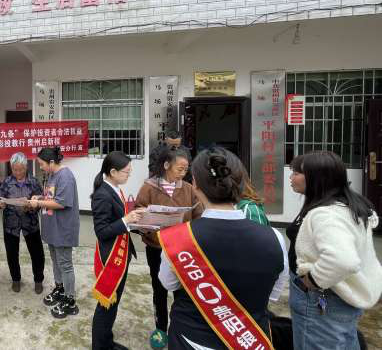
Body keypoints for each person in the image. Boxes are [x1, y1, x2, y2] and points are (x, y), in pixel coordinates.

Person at [158, 147, 288, 350]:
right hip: (249, 340)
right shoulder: (275, 238)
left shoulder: (178, 238)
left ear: (195, 184)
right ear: (240, 183)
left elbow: (168, 283)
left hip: (190, 338)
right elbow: (273, 294)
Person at [287, 151, 382, 350]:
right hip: (337, 298)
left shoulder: (326, 214)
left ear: (316, 177)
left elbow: (343, 260)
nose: (291, 177)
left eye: (296, 172)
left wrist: (312, 280)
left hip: (322, 298)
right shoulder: (341, 205)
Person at [135, 146, 201, 349]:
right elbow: (138, 212)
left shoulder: (189, 189)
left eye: (185, 170)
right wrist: (147, 224)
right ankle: (161, 329)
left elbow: (199, 216)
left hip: (182, 250)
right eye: (180, 169)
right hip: (156, 247)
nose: (183, 173)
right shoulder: (148, 187)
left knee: (182, 291)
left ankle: (180, 330)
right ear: (166, 165)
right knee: (159, 289)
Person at [90, 151, 146, 350]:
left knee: (112, 305)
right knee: (106, 306)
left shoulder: (114, 188)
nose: (129, 175)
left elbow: (119, 220)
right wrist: (126, 220)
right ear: (113, 172)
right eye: (126, 171)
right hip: (111, 258)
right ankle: (100, 346)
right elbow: (101, 231)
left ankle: (106, 341)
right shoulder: (102, 194)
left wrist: (137, 220)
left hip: (121, 253)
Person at [28, 146, 80, 319]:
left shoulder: (66, 176)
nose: (40, 167)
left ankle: (70, 300)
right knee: (56, 260)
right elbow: (51, 198)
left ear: (51, 162)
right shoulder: (51, 175)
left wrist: (39, 203)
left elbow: (62, 202)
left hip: (63, 228)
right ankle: (60, 288)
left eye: (41, 164)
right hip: (52, 227)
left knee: (65, 264)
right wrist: (40, 198)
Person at [0, 152, 45, 294]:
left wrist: (32, 206)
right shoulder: (7, 182)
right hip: (11, 223)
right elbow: (0, 198)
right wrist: (1, 203)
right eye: (15, 169)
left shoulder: (34, 182)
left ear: (26, 167)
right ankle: (16, 279)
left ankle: (38, 280)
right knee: (12, 253)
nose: (18, 172)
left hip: (30, 222)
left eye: (21, 169)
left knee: (37, 253)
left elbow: (41, 202)